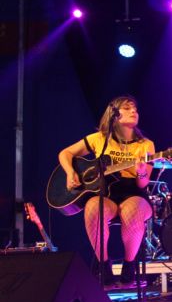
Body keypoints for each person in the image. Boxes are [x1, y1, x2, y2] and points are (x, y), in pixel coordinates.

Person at [59, 95, 154, 288]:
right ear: (114, 114)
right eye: (127, 108)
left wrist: (141, 171)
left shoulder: (145, 144)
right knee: (93, 208)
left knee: (132, 211)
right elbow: (65, 153)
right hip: (105, 192)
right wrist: (70, 173)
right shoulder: (99, 139)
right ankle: (103, 265)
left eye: (135, 108)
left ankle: (129, 265)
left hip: (133, 192)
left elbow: (142, 184)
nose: (134, 111)